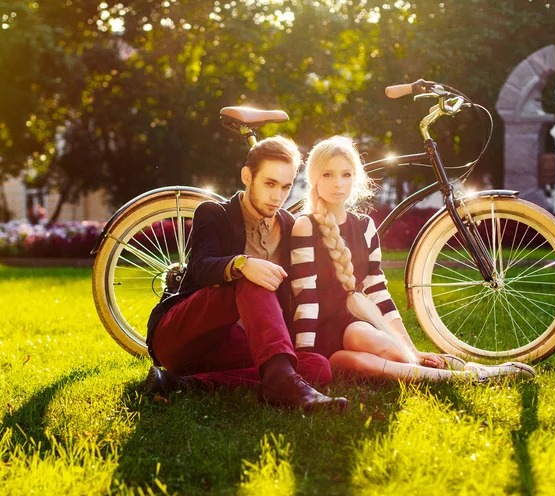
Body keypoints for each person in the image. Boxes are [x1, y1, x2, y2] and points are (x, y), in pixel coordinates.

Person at [290, 136, 535, 383]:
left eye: (346, 174)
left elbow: (377, 291)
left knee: (365, 336)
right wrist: (305, 354)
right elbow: (305, 297)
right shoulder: (305, 225)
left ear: (355, 178)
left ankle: (441, 367)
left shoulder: (365, 226)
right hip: (321, 337)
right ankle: (464, 377)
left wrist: (411, 348)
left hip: (355, 326)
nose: (338, 183)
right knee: (363, 363)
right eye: (327, 175)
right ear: (314, 179)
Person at [145, 135, 348, 412]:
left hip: (236, 344)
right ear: (247, 176)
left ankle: (186, 384)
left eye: (286, 186)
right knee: (255, 278)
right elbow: (201, 267)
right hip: (183, 332)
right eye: (269, 183)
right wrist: (243, 264)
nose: (277, 196)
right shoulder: (214, 213)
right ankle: (282, 383)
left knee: (318, 367)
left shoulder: (291, 227)